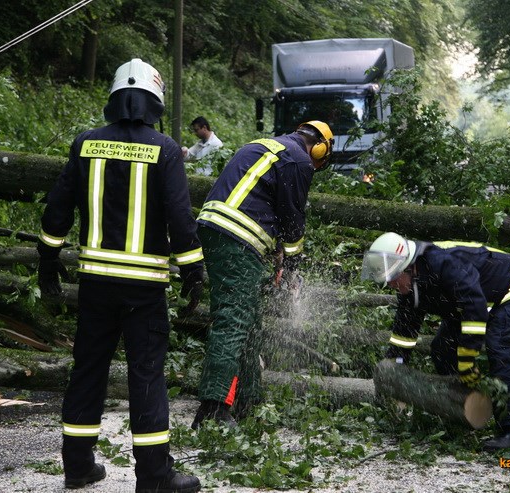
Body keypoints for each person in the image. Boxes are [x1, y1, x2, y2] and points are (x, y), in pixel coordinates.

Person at [37, 58, 204, 493]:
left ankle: (77, 466)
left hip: (95, 284)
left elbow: (57, 207)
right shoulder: (165, 149)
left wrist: (48, 257)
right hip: (144, 288)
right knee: (145, 375)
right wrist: (193, 270)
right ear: (155, 102)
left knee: (88, 370)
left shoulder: (85, 143)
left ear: (114, 98)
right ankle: (154, 476)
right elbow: (180, 216)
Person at [191, 120, 334, 429]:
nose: (314, 166)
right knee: (233, 320)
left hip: (215, 227)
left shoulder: (269, 145)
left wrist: (277, 252)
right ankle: (214, 408)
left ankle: (248, 399)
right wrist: (292, 265)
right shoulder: (299, 160)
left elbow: (271, 205)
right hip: (237, 237)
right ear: (319, 149)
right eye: (318, 162)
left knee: (249, 321)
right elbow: (293, 216)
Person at [361, 233, 510, 451]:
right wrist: (393, 369)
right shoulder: (411, 286)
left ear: (408, 267)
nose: (390, 284)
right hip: (464, 302)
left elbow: (475, 307)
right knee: (442, 349)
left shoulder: (444, 264)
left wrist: (467, 360)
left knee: (500, 349)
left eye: (393, 278)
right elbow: (404, 331)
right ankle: (461, 405)